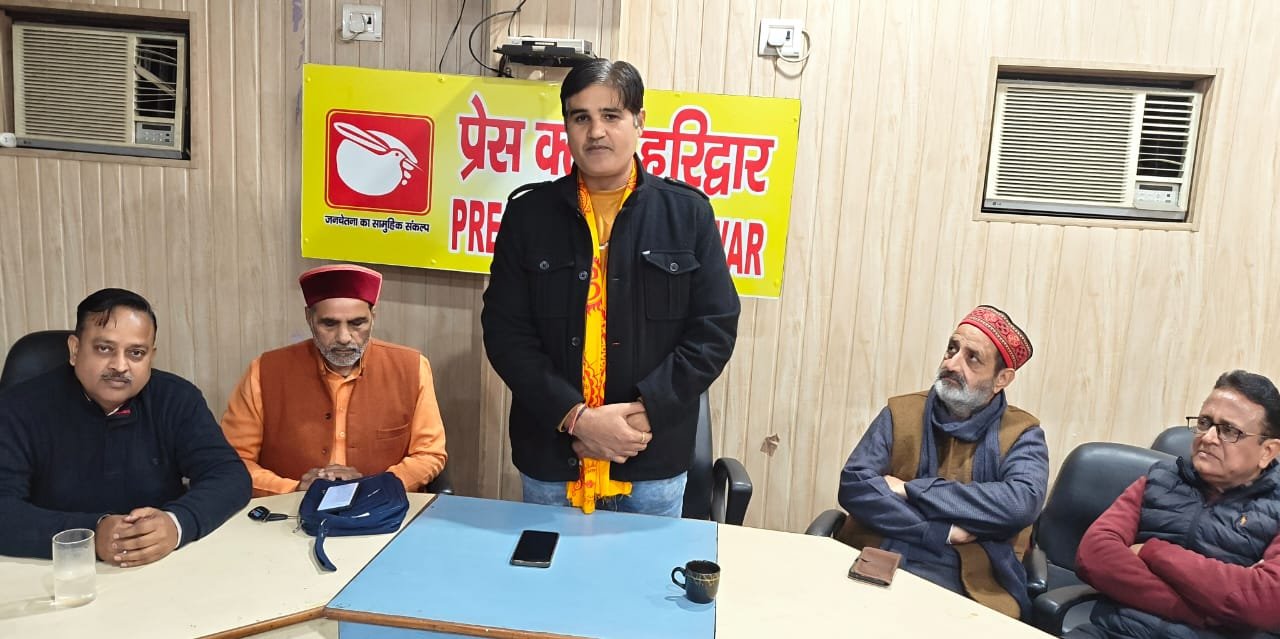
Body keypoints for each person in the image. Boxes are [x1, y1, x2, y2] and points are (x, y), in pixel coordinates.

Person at [481, 58, 740, 517]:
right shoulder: (528, 216)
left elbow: (714, 329)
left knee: (647, 567)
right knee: (551, 566)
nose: (595, 131)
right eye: (581, 117)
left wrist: (645, 411)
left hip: (650, 455)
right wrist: (577, 419)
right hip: (553, 455)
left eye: (611, 115)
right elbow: (506, 334)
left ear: (639, 121)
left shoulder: (687, 214)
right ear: (566, 126)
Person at [0, 288, 250, 566]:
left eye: (136, 353)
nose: (120, 366)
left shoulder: (176, 398)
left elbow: (229, 475)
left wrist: (176, 523)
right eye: (104, 348)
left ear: (151, 356)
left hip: (160, 566)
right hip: (57, 571)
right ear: (75, 350)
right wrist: (91, 534)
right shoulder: (18, 408)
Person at [837, 305, 1048, 619]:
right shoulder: (901, 412)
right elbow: (855, 486)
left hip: (974, 573)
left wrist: (910, 490)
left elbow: (1019, 505)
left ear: (1001, 378)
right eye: (952, 349)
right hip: (879, 548)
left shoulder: (1022, 434)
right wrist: (939, 530)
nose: (951, 363)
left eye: (972, 358)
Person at [1069, 370, 1280, 638]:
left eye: (1229, 430)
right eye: (1204, 422)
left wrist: (1153, 551)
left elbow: (1264, 602)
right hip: (1114, 631)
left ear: (1267, 451)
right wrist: (1202, 610)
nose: (1208, 437)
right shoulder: (1160, 480)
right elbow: (1094, 555)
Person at [221, 264, 447, 496]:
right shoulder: (265, 371)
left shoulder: (411, 368)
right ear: (309, 318)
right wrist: (293, 489)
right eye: (329, 323)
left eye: (357, 323)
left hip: (383, 506)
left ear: (373, 317)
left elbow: (429, 454)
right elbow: (233, 460)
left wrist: (373, 487)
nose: (344, 337)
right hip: (289, 510)